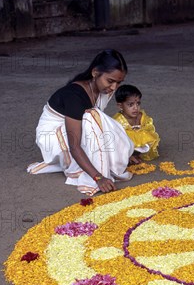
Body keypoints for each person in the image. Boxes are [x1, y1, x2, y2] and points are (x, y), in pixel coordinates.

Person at [28, 49, 136, 195]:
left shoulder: (104, 89)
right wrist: (98, 177)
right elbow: (75, 144)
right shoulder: (75, 96)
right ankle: (88, 169)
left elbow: (101, 127)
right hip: (52, 136)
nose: (114, 88)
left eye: (119, 82)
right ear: (95, 73)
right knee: (92, 116)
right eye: (110, 81)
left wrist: (122, 152)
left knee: (95, 117)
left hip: (75, 129)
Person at [113, 85, 160, 161]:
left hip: (137, 141)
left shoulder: (141, 116)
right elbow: (116, 142)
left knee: (150, 139)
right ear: (120, 106)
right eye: (130, 105)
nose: (135, 108)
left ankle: (137, 154)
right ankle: (129, 156)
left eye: (138, 103)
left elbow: (148, 129)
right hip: (123, 144)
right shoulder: (118, 121)